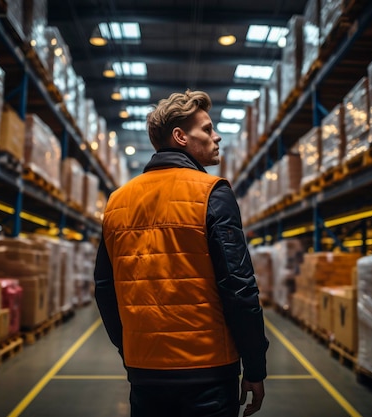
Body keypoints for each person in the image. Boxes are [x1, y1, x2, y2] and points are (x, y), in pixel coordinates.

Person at [94, 89, 269, 417]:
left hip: (144, 374)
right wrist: (255, 366)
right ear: (180, 137)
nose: (216, 137)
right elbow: (240, 288)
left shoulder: (117, 201)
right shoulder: (212, 193)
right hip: (208, 372)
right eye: (206, 129)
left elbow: (105, 289)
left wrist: (131, 349)